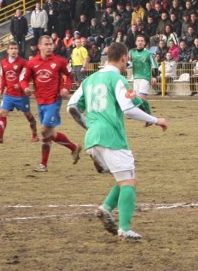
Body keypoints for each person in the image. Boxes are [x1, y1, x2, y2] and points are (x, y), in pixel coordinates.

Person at [67, 42, 167, 240]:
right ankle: (124, 228)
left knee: (124, 178)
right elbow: (129, 109)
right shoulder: (118, 79)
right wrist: (156, 120)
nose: (127, 63)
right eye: (127, 60)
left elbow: (71, 107)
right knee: (129, 181)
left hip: (92, 138)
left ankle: (105, 208)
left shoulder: (90, 80)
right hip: (112, 138)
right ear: (123, 58)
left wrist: (91, 126)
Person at [20, 35, 81, 172]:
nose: (49, 47)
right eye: (46, 44)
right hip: (40, 101)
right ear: (39, 46)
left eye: (51, 44)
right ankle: (73, 148)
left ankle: (43, 165)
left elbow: (70, 76)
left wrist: (66, 87)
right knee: (50, 134)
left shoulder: (60, 61)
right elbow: (23, 79)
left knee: (44, 131)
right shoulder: (32, 63)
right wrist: (25, 88)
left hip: (54, 100)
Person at [0, 41, 39, 143]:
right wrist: (1, 89)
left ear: (18, 50)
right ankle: (0, 137)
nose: (13, 50)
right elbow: (3, 77)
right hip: (9, 95)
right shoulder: (3, 63)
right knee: (3, 113)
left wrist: (20, 85)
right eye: (11, 48)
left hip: (21, 95)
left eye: (15, 48)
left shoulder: (23, 62)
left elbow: (27, 77)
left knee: (28, 115)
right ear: (7, 50)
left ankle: (35, 135)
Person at [128, 35, 158, 114]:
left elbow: (155, 65)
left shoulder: (149, 53)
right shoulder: (132, 52)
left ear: (144, 43)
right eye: (138, 41)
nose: (140, 42)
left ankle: (149, 115)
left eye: (142, 41)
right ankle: (144, 114)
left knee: (142, 97)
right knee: (137, 99)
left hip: (145, 77)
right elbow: (127, 62)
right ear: (136, 42)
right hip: (136, 78)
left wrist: (154, 76)